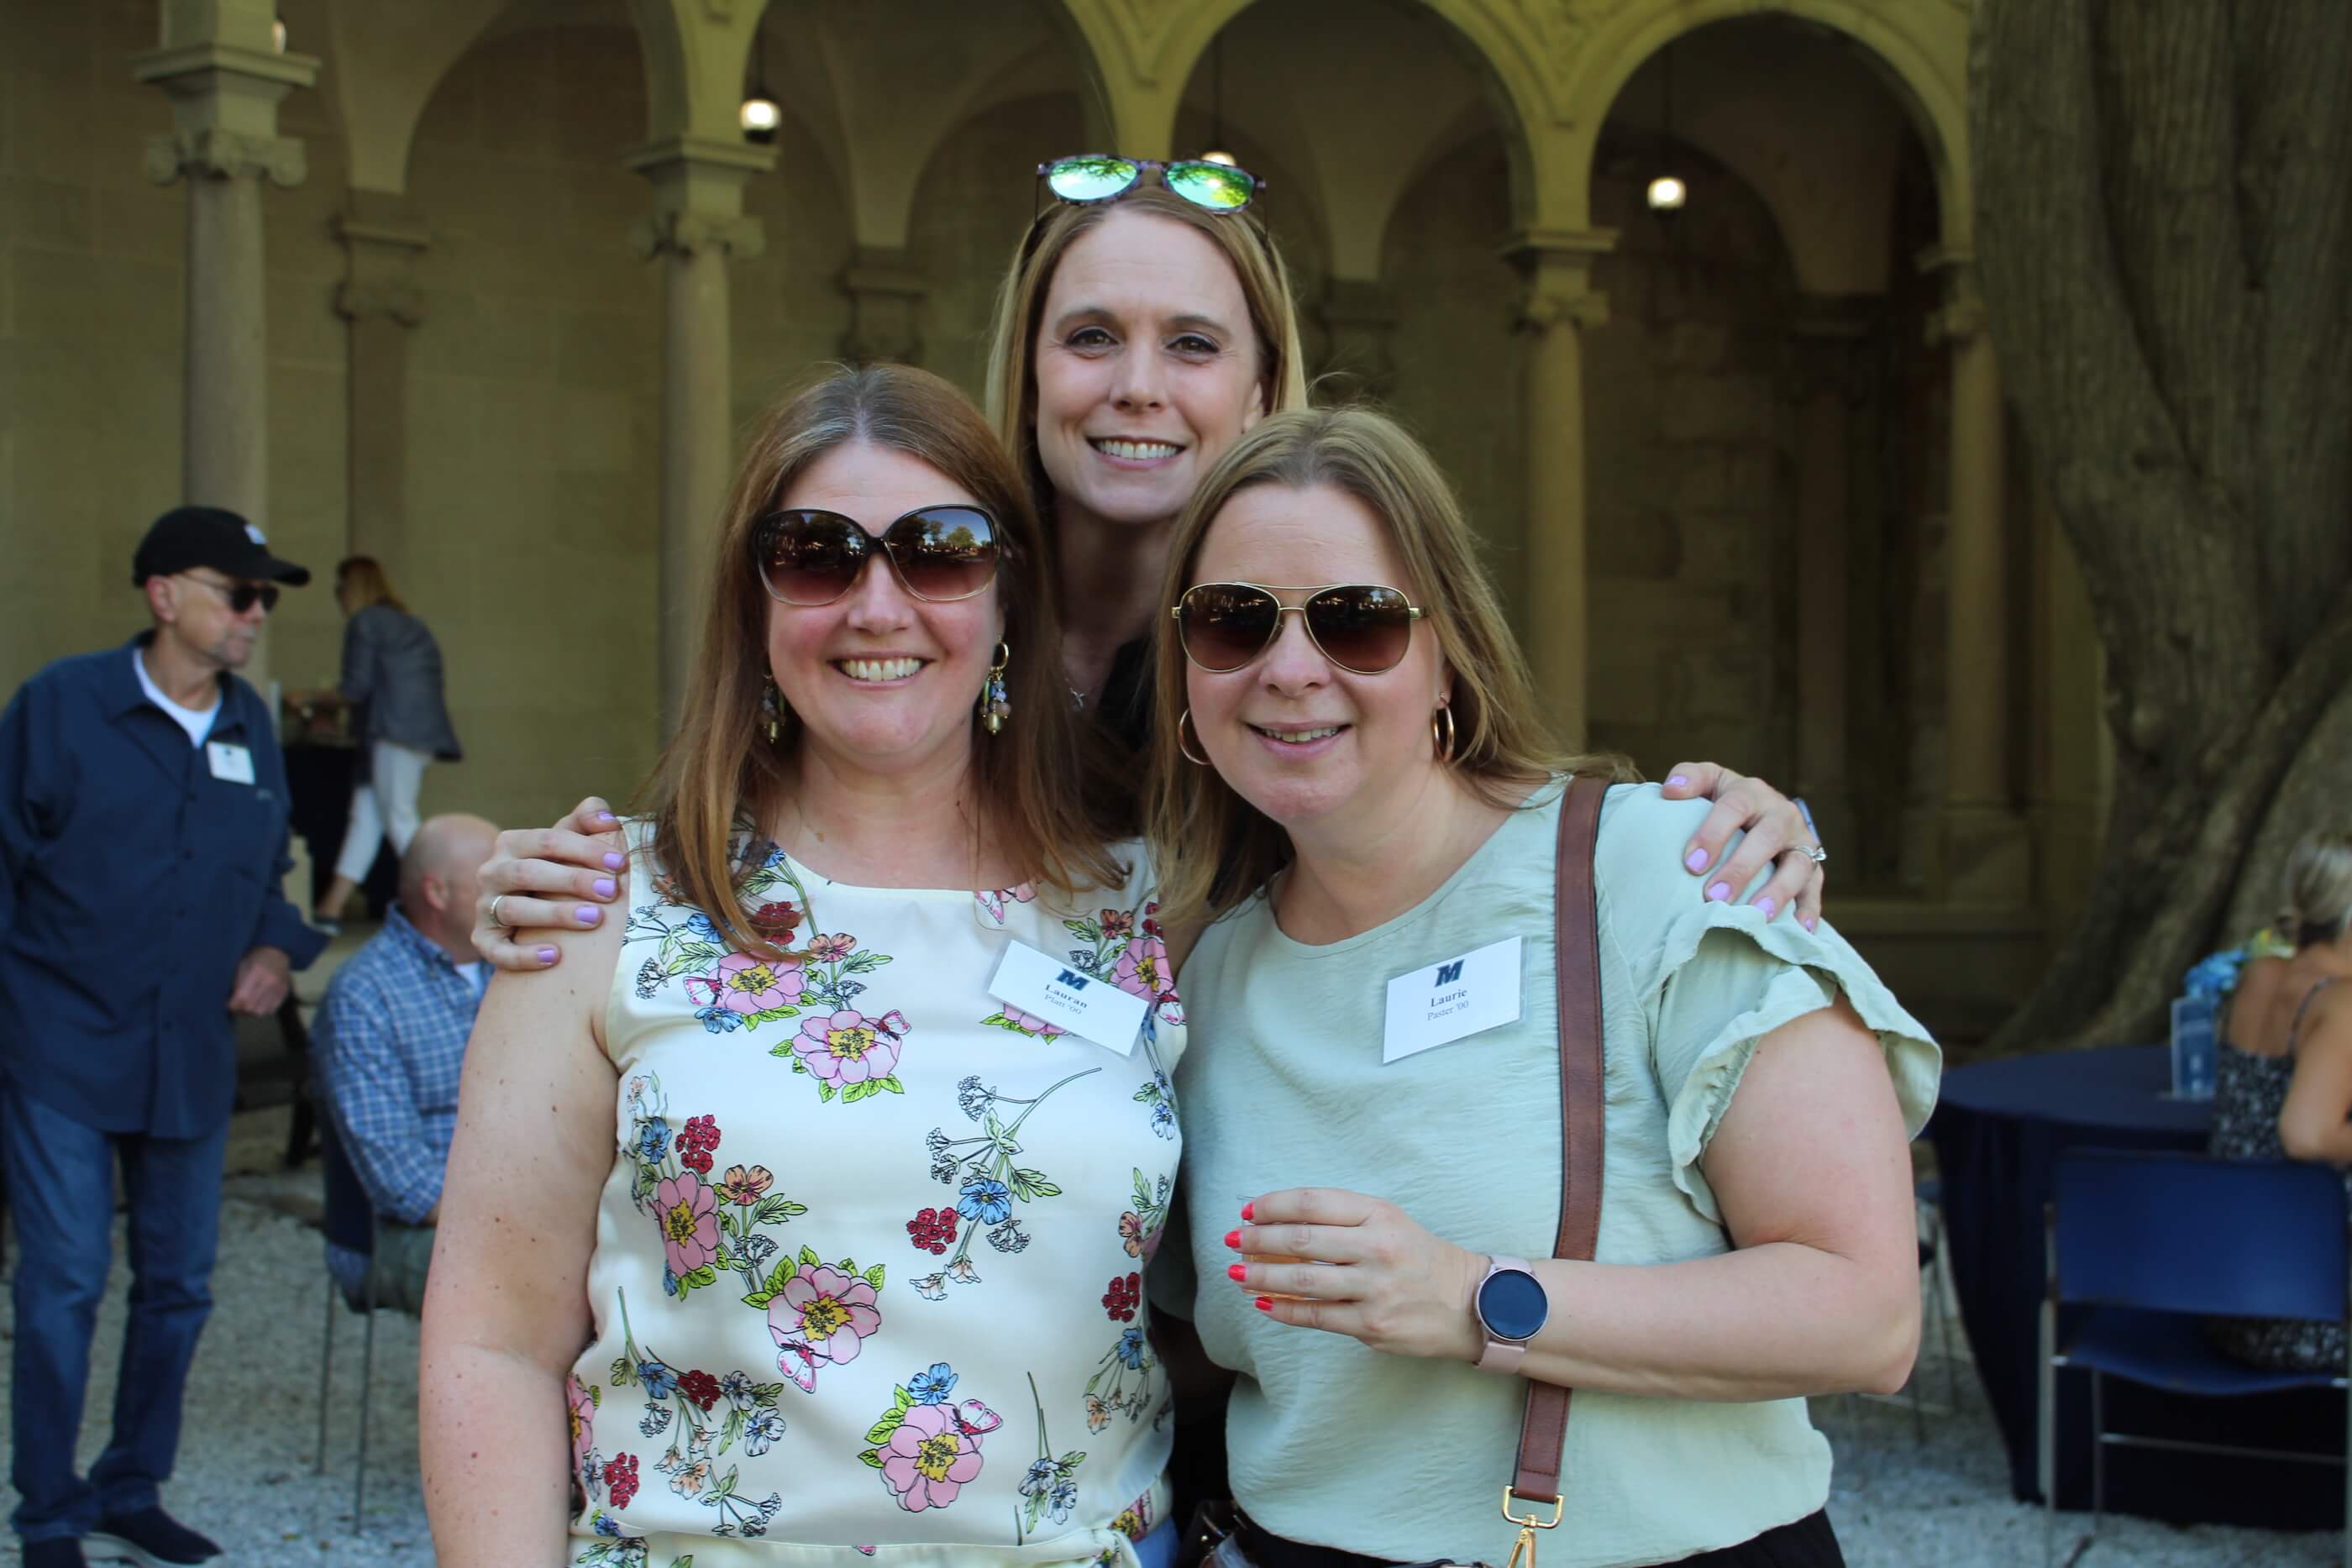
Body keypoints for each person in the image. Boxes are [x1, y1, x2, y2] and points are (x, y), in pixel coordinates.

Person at [465, 156, 1831, 968]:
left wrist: (1715, 834)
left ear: (1259, 384)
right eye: (1091, 337)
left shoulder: (1306, 642)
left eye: (1190, 343)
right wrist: (462, 855)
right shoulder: (934, 602)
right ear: (1029, 365)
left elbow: (1468, 805)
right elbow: (744, 807)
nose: (1136, 387)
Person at [420, 364, 1189, 1568]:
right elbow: (491, 1342)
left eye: (939, 550)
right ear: (755, 601)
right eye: (819, 553)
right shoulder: (603, 906)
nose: (878, 603)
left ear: (1007, 600)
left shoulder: (1144, 905)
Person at [1143, 408, 1939, 1568]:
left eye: (1357, 621)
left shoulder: (1663, 868)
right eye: (1234, 621)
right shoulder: (1207, 977)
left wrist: (1476, 1297)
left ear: (1448, 651)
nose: (1292, 668)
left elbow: (1867, 1315)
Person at [0, 505, 329, 1568]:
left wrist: (277, 949)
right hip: (58, 1043)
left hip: (187, 1053)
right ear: (163, 596)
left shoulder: (248, 729)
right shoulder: (61, 706)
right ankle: (47, 1509)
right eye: (239, 593)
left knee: (180, 1283)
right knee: (61, 1279)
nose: (255, 614)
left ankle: (129, 1485)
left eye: (266, 598)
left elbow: (272, 875)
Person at [311, 812, 500, 1314]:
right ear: (437, 894)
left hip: (516, 1211)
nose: (515, 888)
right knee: (557, 1293)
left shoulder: (512, 968)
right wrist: (525, 1219)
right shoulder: (365, 993)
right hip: (403, 1234)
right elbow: (405, 1185)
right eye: (493, 876)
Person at [2206, 828, 2352, 1371]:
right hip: (2307, 1307)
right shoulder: (2341, 1002)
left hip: (2220, 1290)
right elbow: (2306, 1134)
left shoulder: (2260, 974)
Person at [312, 553, 462, 931]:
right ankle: (330, 908)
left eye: (341, 587)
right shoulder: (408, 624)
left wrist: (307, 699)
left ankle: (447, 901)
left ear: (353, 588)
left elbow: (354, 688)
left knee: (398, 815)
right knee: (367, 818)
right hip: (416, 732)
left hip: (391, 731)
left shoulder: (365, 621)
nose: (338, 595)